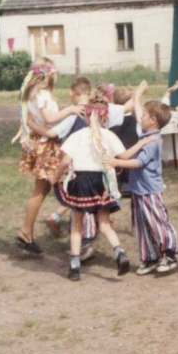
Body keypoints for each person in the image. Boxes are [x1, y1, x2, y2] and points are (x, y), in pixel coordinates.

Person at [50, 93, 131, 281]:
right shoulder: (109, 135)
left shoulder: (77, 136)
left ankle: (75, 264)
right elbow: (124, 157)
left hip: (81, 181)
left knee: (77, 224)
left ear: (86, 116)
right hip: (102, 181)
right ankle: (119, 252)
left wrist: (55, 178)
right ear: (105, 116)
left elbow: (65, 161)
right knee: (104, 224)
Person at [105, 82, 178, 276]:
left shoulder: (152, 141)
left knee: (157, 222)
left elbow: (138, 163)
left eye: (145, 116)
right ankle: (150, 257)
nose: (141, 118)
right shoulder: (146, 134)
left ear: (153, 120)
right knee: (141, 226)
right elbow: (139, 115)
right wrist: (137, 97)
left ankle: (169, 253)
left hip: (150, 191)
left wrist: (116, 163)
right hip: (139, 190)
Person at [14, 58, 84, 254]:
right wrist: (70, 110)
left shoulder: (32, 94)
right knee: (43, 188)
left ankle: (30, 230)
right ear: (48, 75)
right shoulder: (42, 94)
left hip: (42, 141)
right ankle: (27, 231)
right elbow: (49, 119)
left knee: (43, 189)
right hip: (46, 145)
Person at [27, 77, 98, 261]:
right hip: (98, 164)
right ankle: (96, 240)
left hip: (79, 166)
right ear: (89, 93)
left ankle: (83, 242)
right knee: (95, 201)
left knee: (79, 203)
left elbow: (51, 133)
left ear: (72, 94)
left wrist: (32, 124)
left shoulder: (73, 116)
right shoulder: (99, 111)